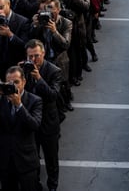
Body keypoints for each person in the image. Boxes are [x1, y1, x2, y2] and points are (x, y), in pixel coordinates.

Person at [24, 40, 62, 191]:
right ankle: (36, 184)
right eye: (30, 57)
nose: (33, 60)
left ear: (44, 54)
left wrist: (39, 78)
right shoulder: (23, 70)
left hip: (48, 122)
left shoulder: (54, 71)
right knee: (33, 157)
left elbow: (53, 95)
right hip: (30, 121)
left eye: (36, 56)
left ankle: (53, 185)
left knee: (51, 157)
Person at [0, 65, 42, 191]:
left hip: (26, 162)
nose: (13, 86)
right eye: (10, 83)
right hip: (5, 161)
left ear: (24, 81)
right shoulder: (1, 100)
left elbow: (34, 125)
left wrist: (19, 106)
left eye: (16, 82)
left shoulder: (35, 100)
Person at [0, 0, 30, 80]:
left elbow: (25, 46)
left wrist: (10, 35)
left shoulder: (23, 22)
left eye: (1, 8)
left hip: (14, 68)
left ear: (8, 4)